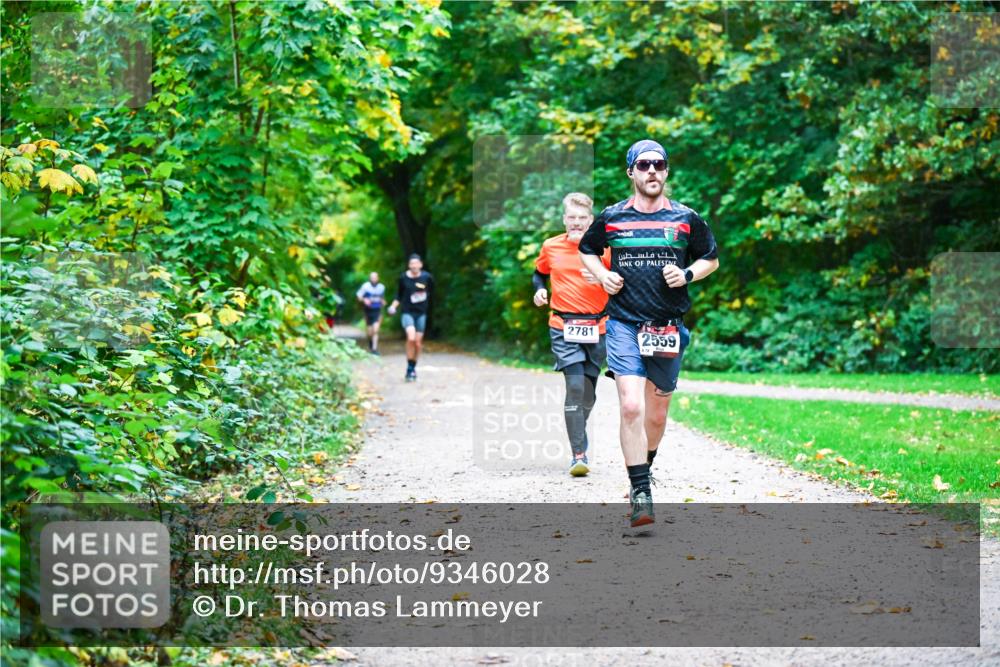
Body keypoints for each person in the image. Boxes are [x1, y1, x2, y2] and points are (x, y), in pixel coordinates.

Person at [579, 139, 719, 527]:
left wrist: (688, 273)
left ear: (667, 171)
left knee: (656, 417)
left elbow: (711, 258)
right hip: (624, 322)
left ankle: (645, 466)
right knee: (631, 406)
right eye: (644, 165)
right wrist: (603, 274)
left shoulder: (686, 218)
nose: (652, 171)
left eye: (659, 164)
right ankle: (640, 491)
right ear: (631, 172)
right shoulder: (612, 218)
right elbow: (587, 250)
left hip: (667, 327)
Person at [533, 192, 611, 477]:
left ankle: (577, 425)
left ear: (591, 220)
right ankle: (579, 453)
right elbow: (538, 273)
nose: (577, 223)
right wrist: (539, 290)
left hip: (598, 327)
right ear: (564, 219)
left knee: (588, 395)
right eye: (572, 218)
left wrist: (603, 277)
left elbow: (622, 285)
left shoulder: (605, 250)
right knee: (575, 386)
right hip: (563, 326)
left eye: (582, 219)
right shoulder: (551, 246)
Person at [388, 254, 434, 382]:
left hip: (421, 313)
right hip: (407, 312)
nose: (414, 266)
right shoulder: (403, 278)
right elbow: (399, 295)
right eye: (411, 264)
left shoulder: (427, 277)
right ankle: (409, 367)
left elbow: (431, 293)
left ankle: (412, 367)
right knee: (411, 337)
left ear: (420, 265)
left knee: (418, 344)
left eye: (416, 263)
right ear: (409, 265)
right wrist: (393, 307)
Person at [356, 272, 386, 354]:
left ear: (378, 278)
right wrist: (364, 300)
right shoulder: (365, 286)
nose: (374, 279)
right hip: (368, 311)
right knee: (369, 332)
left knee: (375, 330)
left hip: (377, 310)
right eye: (372, 277)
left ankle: (374, 349)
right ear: (370, 278)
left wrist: (383, 302)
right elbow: (358, 296)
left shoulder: (381, 287)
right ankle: (371, 344)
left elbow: (382, 299)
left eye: (375, 277)